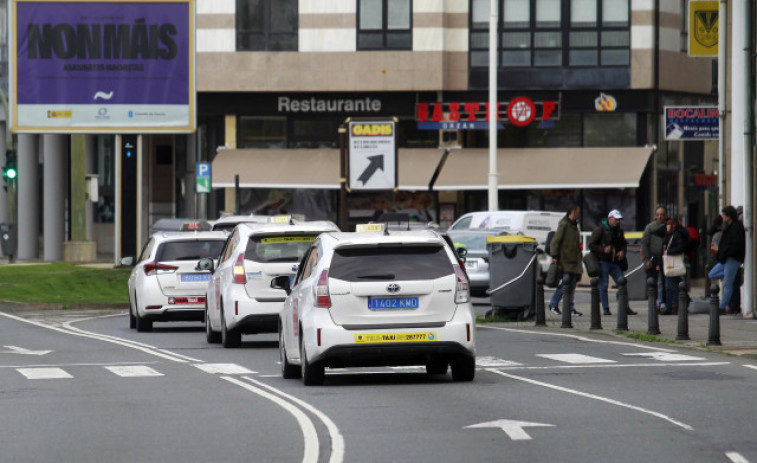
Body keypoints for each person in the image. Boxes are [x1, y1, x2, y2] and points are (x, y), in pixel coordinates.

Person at [589, 209, 636, 316]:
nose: (618, 222)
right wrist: (603, 249)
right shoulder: (600, 230)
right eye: (616, 219)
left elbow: (624, 244)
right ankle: (605, 308)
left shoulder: (619, 231)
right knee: (603, 285)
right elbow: (591, 244)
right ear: (610, 219)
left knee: (622, 283)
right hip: (603, 261)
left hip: (615, 262)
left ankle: (625, 307)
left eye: (619, 220)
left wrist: (622, 252)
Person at [708, 205, 745, 314]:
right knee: (712, 274)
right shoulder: (728, 226)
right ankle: (730, 275)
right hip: (726, 259)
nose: (723, 216)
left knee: (728, 285)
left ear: (729, 216)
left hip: (732, 258)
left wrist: (727, 253)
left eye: (724, 214)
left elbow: (735, 244)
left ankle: (721, 307)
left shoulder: (735, 227)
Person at [548, 204, 583, 317]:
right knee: (566, 284)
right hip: (565, 261)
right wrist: (554, 256)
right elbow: (555, 242)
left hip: (574, 261)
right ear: (573, 211)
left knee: (571, 285)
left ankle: (569, 308)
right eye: (578, 211)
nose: (579, 213)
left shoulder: (574, 226)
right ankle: (554, 304)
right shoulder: (564, 225)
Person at [641, 207, 668, 312]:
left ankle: (662, 303)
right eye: (658, 214)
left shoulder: (668, 227)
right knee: (653, 282)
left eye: (662, 214)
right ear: (655, 216)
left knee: (662, 282)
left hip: (665, 258)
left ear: (666, 215)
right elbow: (644, 243)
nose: (660, 217)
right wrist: (647, 260)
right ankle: (654, 303)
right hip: (653, 258)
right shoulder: (650, 227)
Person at [660, 219, 690, 315]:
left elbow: (681, 248)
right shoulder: (669, 235)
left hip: (673, 264)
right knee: (673, 286)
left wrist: (668, 252)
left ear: (673, 226)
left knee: (670, 286)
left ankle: (673, 306)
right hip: (671, 264)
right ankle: (674, 305)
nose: (666, 226)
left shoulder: (676, 235)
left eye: (668, 225)